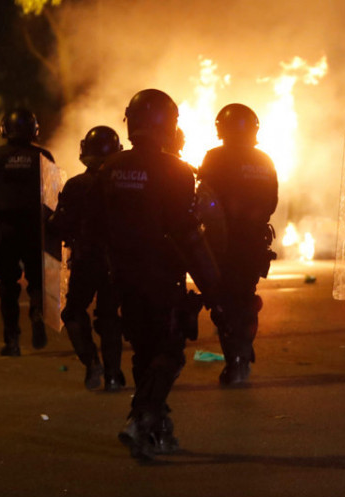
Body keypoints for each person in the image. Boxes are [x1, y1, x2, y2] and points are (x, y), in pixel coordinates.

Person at [99, 89, 225, 460]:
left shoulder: (111, 168)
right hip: (159, 274)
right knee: (170, 350)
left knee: (143, 352)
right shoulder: (177, 170)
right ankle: (142, 419)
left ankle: (155, 428)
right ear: (167, 125)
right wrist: (214, 290)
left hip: (122, 275)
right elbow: (188, 234)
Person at [197, 103, 278, 386]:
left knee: (223, 303)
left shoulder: (215, 157)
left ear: (222, 128)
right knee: (245, 298)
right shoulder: (265, 160)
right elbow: (272, 202)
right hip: (253, 243)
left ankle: (236, 361)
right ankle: (243, 351)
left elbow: (204, 199)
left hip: (222, 244)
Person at [50, 126, 126, 391]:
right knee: (109, 316)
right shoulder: (126, 184)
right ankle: (115, 375)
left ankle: (92, 364)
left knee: (73, 312)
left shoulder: (76, 186)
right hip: (118, 261)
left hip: (86, 260)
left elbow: (60, 227)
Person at [0, 108, 54, 357]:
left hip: (6, 229)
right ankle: (36, 312)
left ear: (4, 129)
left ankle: (12, 340)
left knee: (8, 287)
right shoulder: (43, 156)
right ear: (34, 129)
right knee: (37, 281)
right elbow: (53, 197)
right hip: (35, 229)